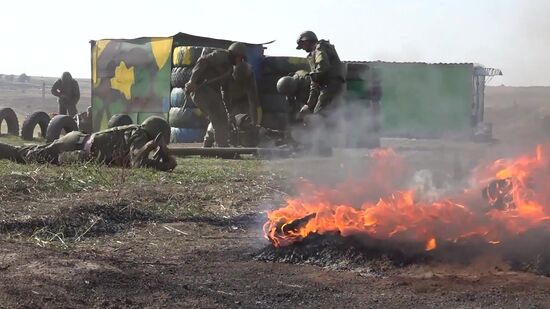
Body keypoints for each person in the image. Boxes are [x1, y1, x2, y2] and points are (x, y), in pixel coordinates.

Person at [0, 116, 177, 172]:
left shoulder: (135, 132)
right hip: (75, 147)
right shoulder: (138, 135)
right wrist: (163, 164)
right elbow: (138, 162)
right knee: (23, 155)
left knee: (30, 151)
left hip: (78, 142)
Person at [185, 42, 249, 147]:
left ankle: (208, 144)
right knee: (218, 115)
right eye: (240, 58)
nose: (240, 62)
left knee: (219, 116)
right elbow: (202, 61)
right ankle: (222, 146)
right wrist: (192, 81)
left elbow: (225, 91)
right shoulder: (222, 56)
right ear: (235, 54)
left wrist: (229, 111)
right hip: (200, 89)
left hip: (208, 92)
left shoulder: (229, 71)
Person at [203, 62, 260, 147]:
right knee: (220, 120)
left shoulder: (250, 78)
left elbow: (253, 101)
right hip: (223, 99)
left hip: (241, 101)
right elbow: (223, 97)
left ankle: (240, 141)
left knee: (244, 122)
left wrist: (254, 123)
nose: (241, 83)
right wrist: (228, 113)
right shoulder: (226, 76)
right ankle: (208, 141)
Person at [295, 31, 345, 116]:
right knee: (320, 112)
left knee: (319, 113)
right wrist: (309, 104)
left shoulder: (319, 48)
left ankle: (322, 128)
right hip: (327, 85)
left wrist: (314, 76)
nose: (302, 48)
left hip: (330, 84)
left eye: (302, 45)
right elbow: (315, 82)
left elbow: (322, 66)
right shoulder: (314, 54)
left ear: (307, 41)